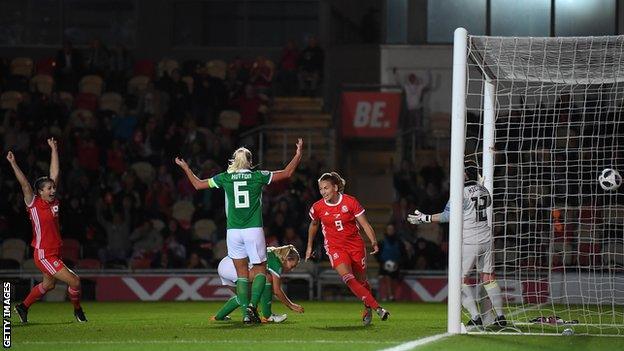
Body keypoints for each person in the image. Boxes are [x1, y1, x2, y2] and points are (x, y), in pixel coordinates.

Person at [175, 138, 303, 323]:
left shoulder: (225, 177)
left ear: (235, 161)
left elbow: (198, 185)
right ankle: (252, 307)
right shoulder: (258, 176)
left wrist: (186, 168)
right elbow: (287, 172)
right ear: (250, 162)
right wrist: (298, 155)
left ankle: (245, 316)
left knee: (242, 274)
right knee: (260, 270)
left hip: (233, 231)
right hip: (253, 228)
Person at [407, 160, 506, 327]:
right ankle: (501, 317)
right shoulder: (484, 190)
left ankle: (476, 317)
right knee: (488, 278)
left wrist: (425, 218)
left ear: (465, 174)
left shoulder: (460, 192)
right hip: (487, 238)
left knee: (459, 279)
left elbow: (448, 216)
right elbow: (485, 205)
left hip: (469, 240)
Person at [7, 138, 87, 323]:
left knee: (48, 285)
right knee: (75, 281)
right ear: (40, 192)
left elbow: (55, 172)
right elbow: (25, 185)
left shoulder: (54, 202)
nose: (53, 190)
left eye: (53, 187)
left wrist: (54, 149)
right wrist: (13, 163)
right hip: (44, 254)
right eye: (49, 188)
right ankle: (78, 311)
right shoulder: (33, 203)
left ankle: (22, 307)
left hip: (54, 251)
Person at [306, 172, 390, 325]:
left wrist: (374, 242)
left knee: (361, 280)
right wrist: (309, 246)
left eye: (326, 188)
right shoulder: (318, 207)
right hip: (335, 248)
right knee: (348, 278)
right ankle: (378, 308)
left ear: (335, 187)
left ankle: (367, 306)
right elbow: (314, 225)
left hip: (355, 246)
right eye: (320, 189)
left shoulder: (350, 202)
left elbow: (365, 224)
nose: (323, 192)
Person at [212, 245, 304, 323]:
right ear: (287, 259)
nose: (292, 269)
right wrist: (291, 305)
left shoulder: (270, 253)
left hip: (225, 264)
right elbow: (277, 291)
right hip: (233, 266)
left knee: (244, 297)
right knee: (267, 278)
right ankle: (267, 316)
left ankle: (218, 317)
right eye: (292, 266)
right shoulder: (276, 261)